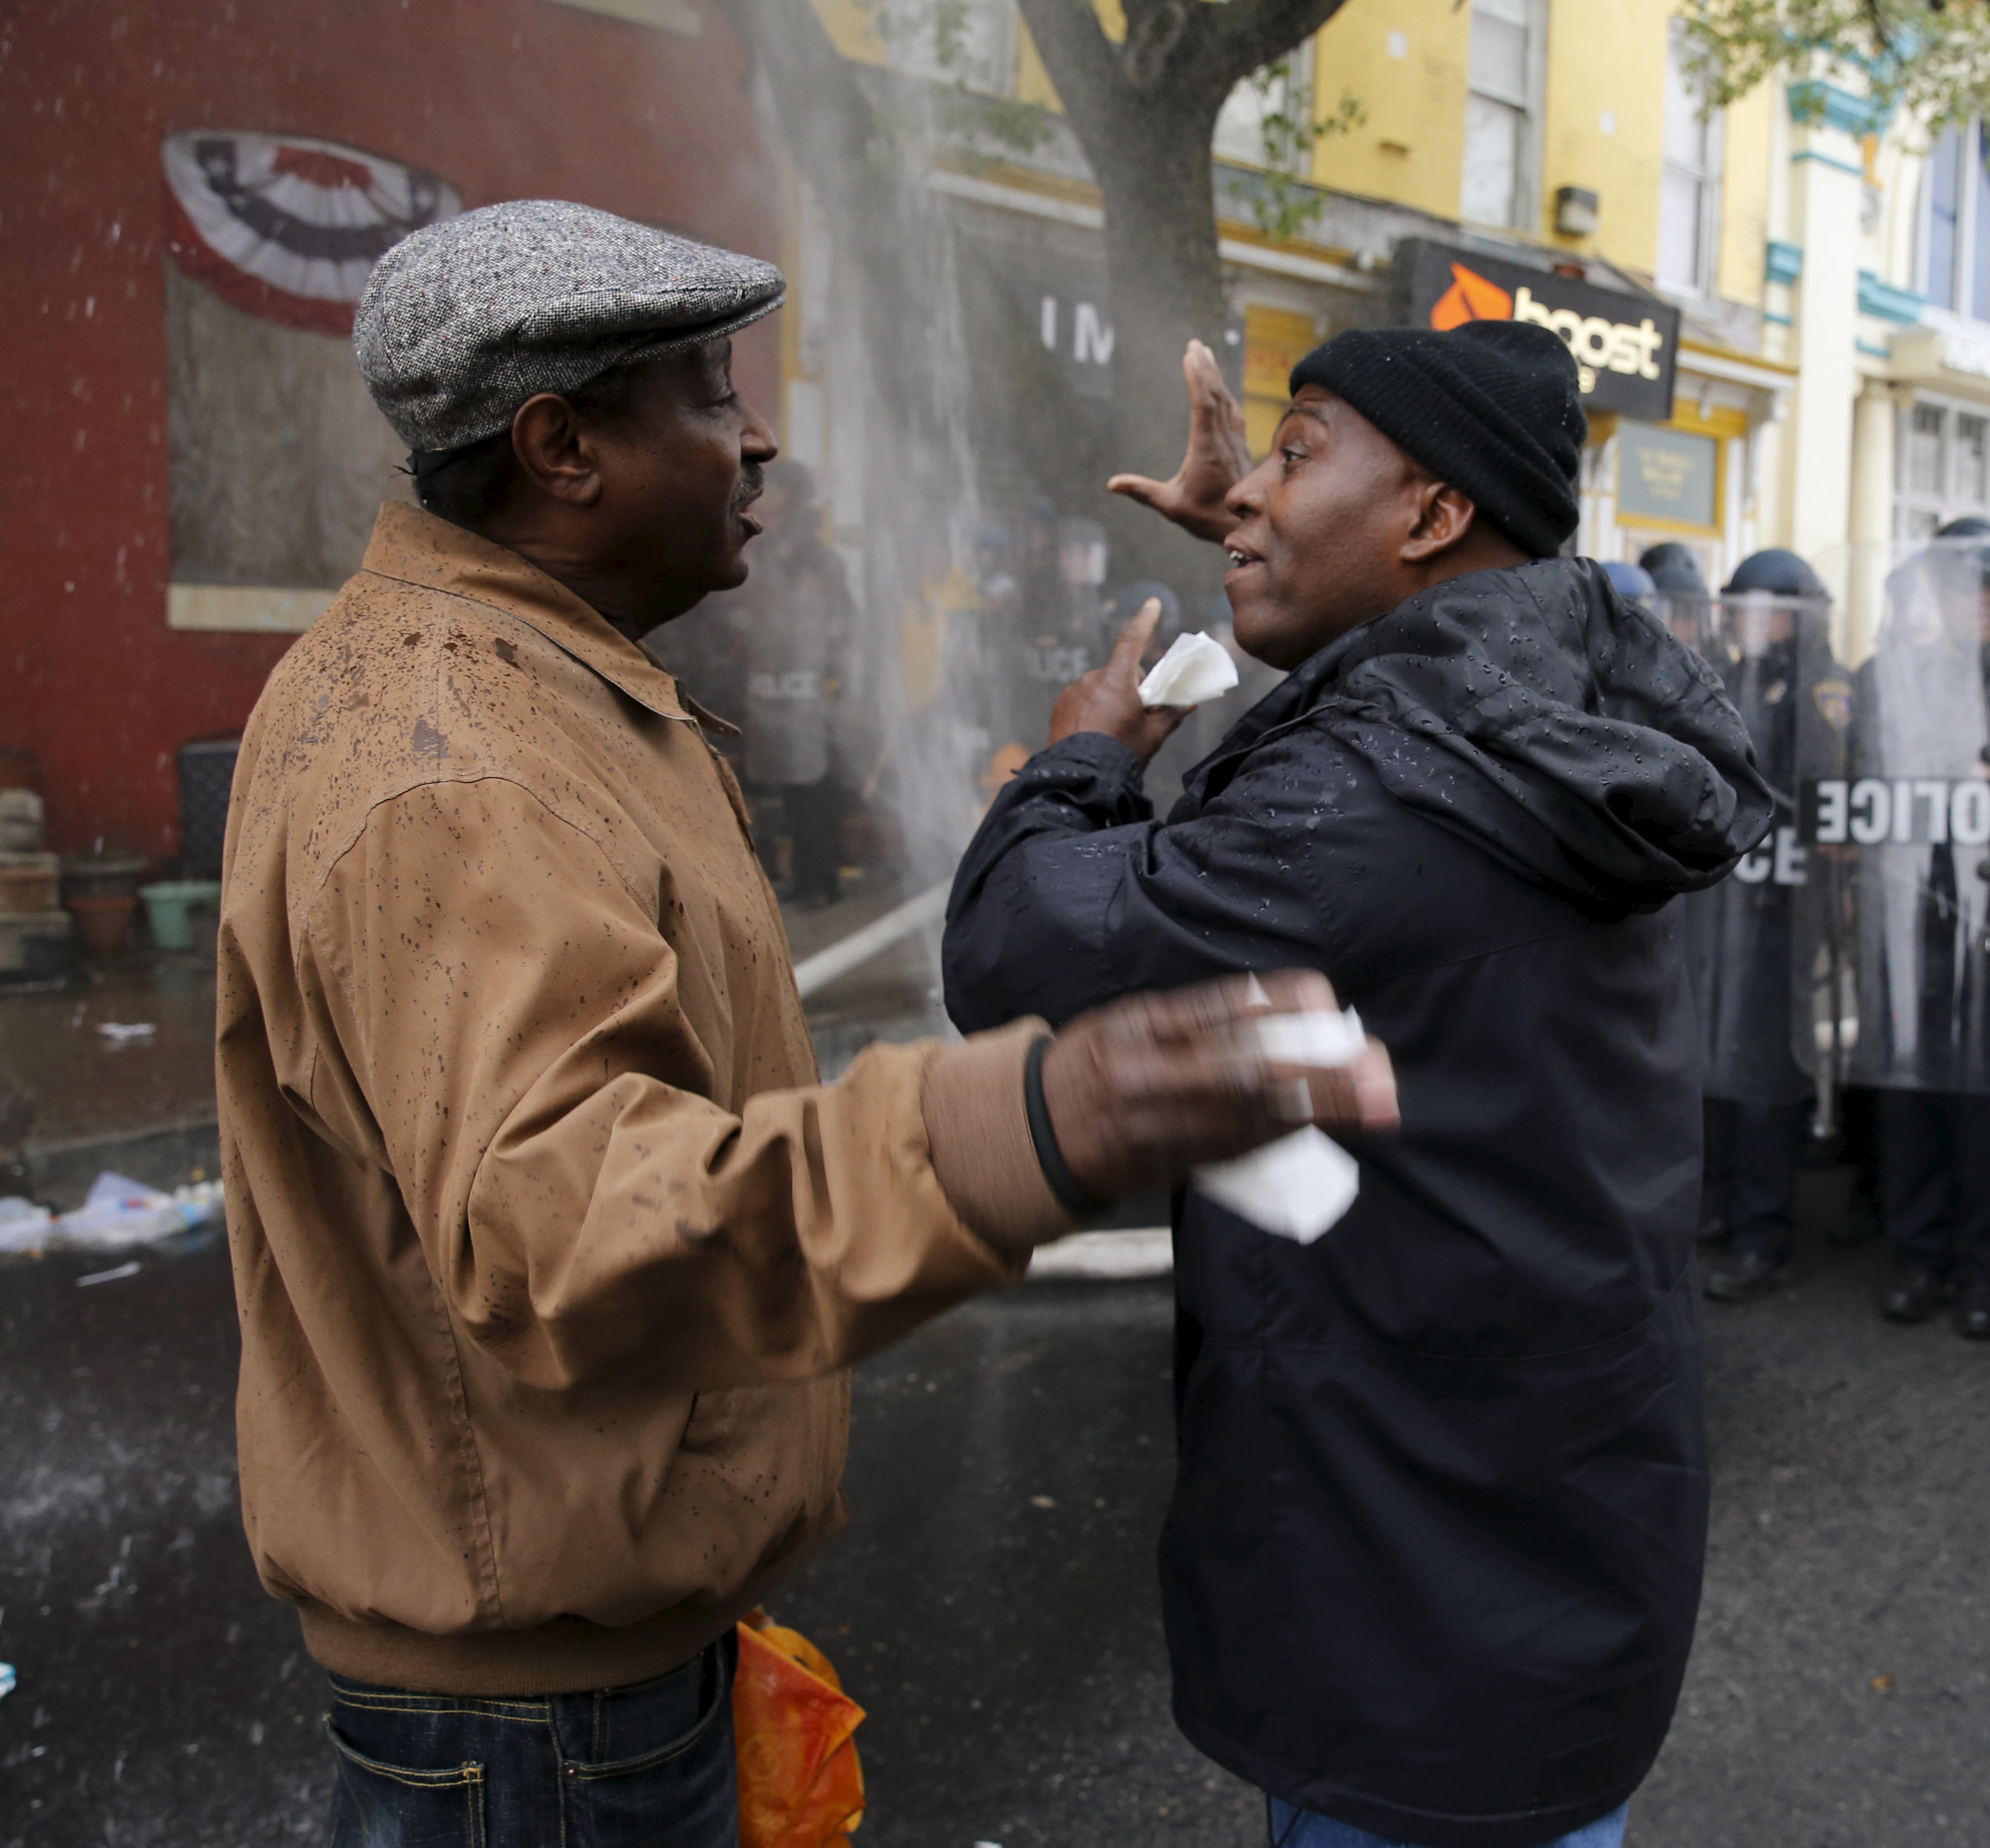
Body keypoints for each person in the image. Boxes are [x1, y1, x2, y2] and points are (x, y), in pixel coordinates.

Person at [218, 202, 1396, 1844]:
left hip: (571, 1678)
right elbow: (564, 1222)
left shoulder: (528, 679)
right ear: (561, 447)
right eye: (709, 394)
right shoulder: (457, 763)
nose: (759, 435)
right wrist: (1046, 1116)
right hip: (540, 1729)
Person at [942, 327, 1773, 1848]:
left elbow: (1016, 954)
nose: (1246, 491)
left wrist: (1075, 763)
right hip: (1536, 1564)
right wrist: (1293, 553)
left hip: (1420, 1626)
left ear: (1432, 515)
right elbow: (1396, 686)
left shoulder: (1384, 796)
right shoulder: (1537, 704)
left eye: (1298, 448)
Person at [1825, 519, 1990, 1338]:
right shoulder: (1889, 676)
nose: (1984, 605)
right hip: (1911, 907)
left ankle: (1984, 1271)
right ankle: (1917, 1256)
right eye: (1966, 588)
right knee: (1907, 1086)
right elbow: (1857, 780)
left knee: (1985, 1102)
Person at [1687, 548, 1823, 1305]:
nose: (1751, 622)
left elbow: (1830, 804)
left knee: (1765, 1076)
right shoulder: (1726, 679)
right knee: (1716, 1063)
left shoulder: (1820, 692)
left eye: (1767, 608)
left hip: (1781, 911)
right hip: (1722, 906)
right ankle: (1722, 1202)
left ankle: (1763, 1235)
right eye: (1741, 607)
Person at [721, 461, 855, 906]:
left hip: (810, 693)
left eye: (775, 492)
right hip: (774, 689)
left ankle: (822, 880)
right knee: (789, 790)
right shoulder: (766, 550)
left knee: (814, 789)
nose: (765, 498)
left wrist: (836, 675)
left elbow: (844, 622)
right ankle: (803, 878)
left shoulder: (818, 558)